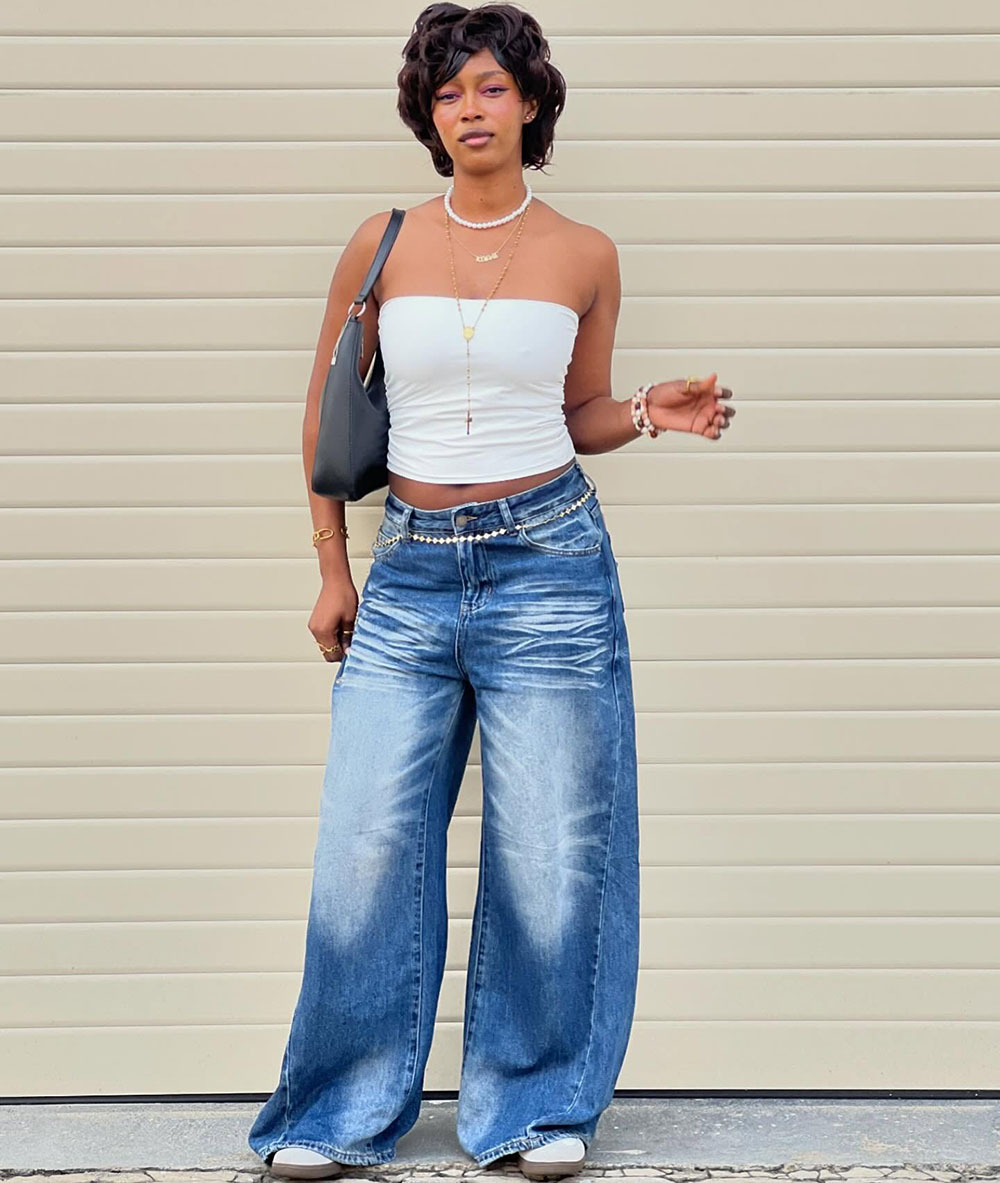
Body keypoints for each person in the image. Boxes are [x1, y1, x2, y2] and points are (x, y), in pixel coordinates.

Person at [248, 4, 735, 1180]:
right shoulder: (381, 243)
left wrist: (645, 413)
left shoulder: (584, 253)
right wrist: (331, 566)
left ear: (530, 104)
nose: (469, 109)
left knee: (552, 847)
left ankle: (535, 1106)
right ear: (427, 115)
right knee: (365, 841)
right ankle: (334, 1113)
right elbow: (324, 417)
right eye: (448, 92)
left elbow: (576, 413)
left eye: (490, 88)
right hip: (407, 572)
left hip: (548, 564)